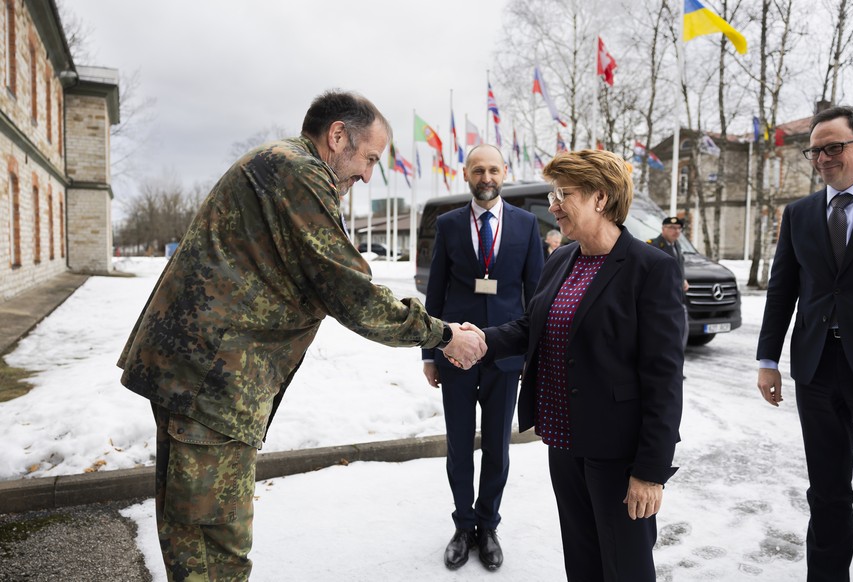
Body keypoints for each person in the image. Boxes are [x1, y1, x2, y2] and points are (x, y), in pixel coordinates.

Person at [117, 90, 485, 581]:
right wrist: (442, 336)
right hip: (211, 379)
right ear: (338, 136)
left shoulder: (281, 164)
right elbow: (349, 292)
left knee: (193, 530)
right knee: (213, 543)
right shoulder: (299, 173)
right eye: (369, 158)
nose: (367, 176)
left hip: (199, 374)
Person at [466, 149, 685, 581]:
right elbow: (533, 326)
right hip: (565, 443)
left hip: (619, 453)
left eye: (563, 194)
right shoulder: (561, 259)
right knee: (582, 562)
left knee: (625, 568)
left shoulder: (650, 268)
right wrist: (481, 340)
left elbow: (664, 379)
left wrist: (650, 472)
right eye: (553, 194)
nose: (553, 206)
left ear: (600, 198)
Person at [756, 105, 853, 582]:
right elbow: (782, 289)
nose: (823, 158)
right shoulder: (800, 214)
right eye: (816, 151)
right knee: (826, 491)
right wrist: (768, 359)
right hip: (816, 369)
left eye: (834, 147)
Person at [422, 144, 544, 570]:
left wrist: (531, 354)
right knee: (459, 446)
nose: (486, 177)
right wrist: (429, 353)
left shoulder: (527, 225)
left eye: (493, 169)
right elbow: (435, 292)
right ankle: (463, 525)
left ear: (504, 172)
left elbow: (536, 295)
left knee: (496, 447)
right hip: (455, 354)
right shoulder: (449, 224)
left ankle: (488, 525)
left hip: (506, 357)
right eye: (478, 170)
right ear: (466, 174)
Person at [647, 216, 690, 346]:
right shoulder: (653, 245)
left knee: (681, 332)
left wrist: (683, 280)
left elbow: (677, 267)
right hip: (661, 300)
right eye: (672, 228)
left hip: (677, 297)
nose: (676, 231)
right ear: (663, 229)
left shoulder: (677, 245)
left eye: (679, 228)